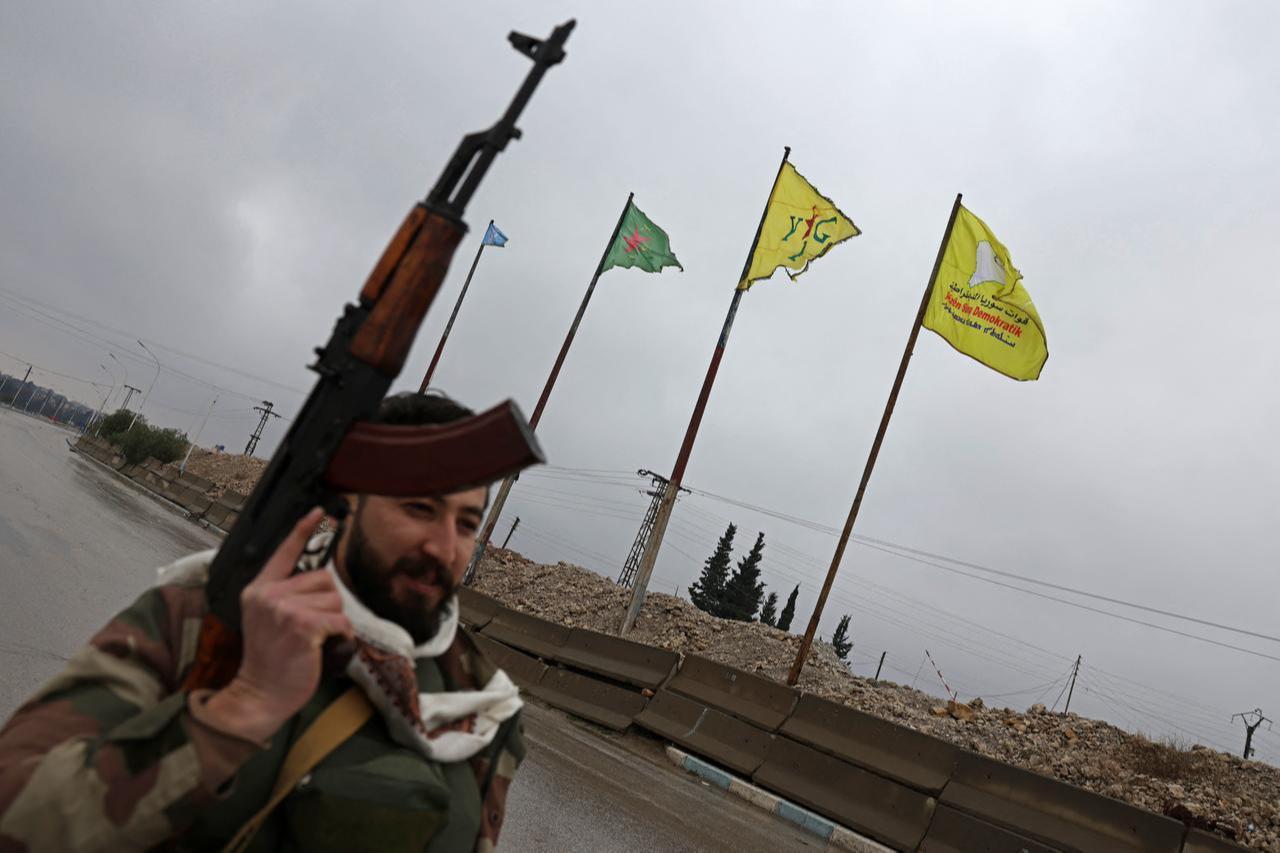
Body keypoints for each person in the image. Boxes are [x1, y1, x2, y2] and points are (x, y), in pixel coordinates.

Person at [0, 392, 524, 852]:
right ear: (349, 501)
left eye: (466, 524)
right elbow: (15, 813)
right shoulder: (210, 612)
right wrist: (237, 712)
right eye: (418, 508)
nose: (443, 546)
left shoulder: (483, 706)